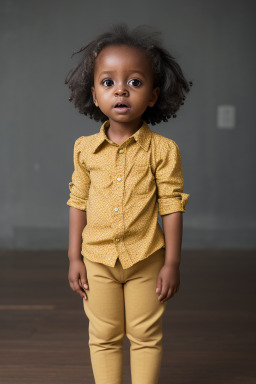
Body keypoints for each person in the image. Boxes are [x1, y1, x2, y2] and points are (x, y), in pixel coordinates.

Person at [65, 23, 192, 384]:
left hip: (146, 259)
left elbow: (171, 204)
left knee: (146, 337)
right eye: (108, 82)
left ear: (153, 95)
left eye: (135, 82)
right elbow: (78, 201)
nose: (121, 89)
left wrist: (172, 262)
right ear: (93, 94)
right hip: (97, 260)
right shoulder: (84, 149)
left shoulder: (164, 150)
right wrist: (74, 257)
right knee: (103, 337)